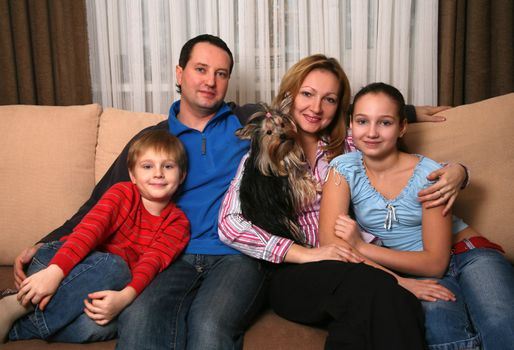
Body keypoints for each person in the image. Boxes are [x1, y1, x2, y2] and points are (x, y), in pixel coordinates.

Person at [12, 36, 456, 349]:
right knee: (142, 319)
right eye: (201, 70)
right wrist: (47, 242)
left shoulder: (252, 122)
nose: (210, 81)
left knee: (210, 324)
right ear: (180, 74)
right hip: (175, 251)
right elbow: (101, 201)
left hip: (241, 261)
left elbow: (352, 121)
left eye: (221, 73)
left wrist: (424, 131)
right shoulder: (155, 141)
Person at [219, 55, 468, 349]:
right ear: (290, 96)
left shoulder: (349, 145)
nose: (316, 108)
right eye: (307, 94)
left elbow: (383, 133)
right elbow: (229, 223)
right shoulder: (265, 155)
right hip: (296, 274)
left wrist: (459, 171)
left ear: (341, 108)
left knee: (369, 312)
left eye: (329, 100)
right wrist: (303, 254)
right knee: (385, 292)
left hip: (354, 265)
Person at [319, 82, 514, 350]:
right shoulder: (342, 170)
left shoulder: (429, 174)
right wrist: (397, 279)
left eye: (385, 123)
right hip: (413, 269)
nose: (372, 132)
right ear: (351, 124)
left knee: (499, 320)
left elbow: (435, 261)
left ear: (401, 127)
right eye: (363, 121)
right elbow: (331, 244)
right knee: (444, 333)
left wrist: (361, 246)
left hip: (468, 254)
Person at [0, 129, 190, 343]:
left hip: (94, 289)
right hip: (59, 262)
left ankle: (17, 329)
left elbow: (150, 263)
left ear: (181, 175)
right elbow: (88, 232)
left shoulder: (178, 224)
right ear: (133, 175)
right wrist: (55, 272)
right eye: (147, 166)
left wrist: (123, 298)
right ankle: (14, 305)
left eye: (168, 166)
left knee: (104, 324)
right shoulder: (122, 193)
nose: (158, 173)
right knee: (116, 267)